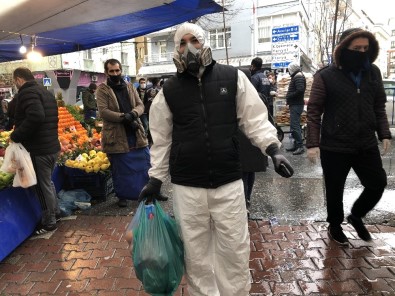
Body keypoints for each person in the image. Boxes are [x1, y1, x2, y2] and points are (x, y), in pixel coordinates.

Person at [138, 22, 294, 296]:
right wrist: (155, 178)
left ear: (204, 42)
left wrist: (273, 149)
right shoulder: (169, 91)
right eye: (183, 42)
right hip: (188, 186)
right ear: (177, 49)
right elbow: (161, 140)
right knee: (196, 253)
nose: (189, 48)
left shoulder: (233, 78)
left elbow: (255, 119)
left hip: (228, 182)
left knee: (234, 248)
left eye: (194, 41)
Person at [306, 28, 392, 245]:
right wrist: (313, 143)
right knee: (334, 189)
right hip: (335, 145)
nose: (362, 52)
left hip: (365, 143)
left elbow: (379, 106)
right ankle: (335, 225)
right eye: (356, 48)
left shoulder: (373, 73)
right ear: (344, 49)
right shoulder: (326, 76)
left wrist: (384, 133)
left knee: (377, 183)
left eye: (366, 48)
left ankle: (356, 215)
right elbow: (314, 111)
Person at [11, 67, 61, 234]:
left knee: (41, 185)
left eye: (14, 82)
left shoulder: (27, 92)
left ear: (19, 79)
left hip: (39, 148)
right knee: (48, 182)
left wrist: (16, 135)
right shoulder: (44, 91)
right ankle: (57, 213)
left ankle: (49, 222)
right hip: (52, 146)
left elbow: (36, 116)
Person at [96, 59, 150, 208]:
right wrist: (123, 117)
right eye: (111, 71)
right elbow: (104, 112)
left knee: (142, 164)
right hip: (116, 135)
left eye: (117, 70)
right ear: (106, 72)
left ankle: (146, 192)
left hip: (135, 130)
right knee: (120, 168)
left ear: (121, 70)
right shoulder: (102, 90)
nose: (115, 73)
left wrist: (132, 114)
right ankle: (123, 196)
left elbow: (140, 105)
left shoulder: (130, 86)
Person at [238, 68, 268, 211]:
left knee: (243, 172)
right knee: (251, 171)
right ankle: (248, 197)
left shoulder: (236, 96)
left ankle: (244, 201)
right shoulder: (260, 95)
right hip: (256, 141)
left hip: (243, 141)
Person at [285, 61, 306, 155]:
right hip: (295, 104)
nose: (289, 71)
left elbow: (300, 89)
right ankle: (296, 145)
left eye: (289, 69)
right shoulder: (297, 76)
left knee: (295, 125)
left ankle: (300, 146)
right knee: (294, 126)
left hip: (296, 104)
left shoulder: (298, 76)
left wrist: (289, 96)